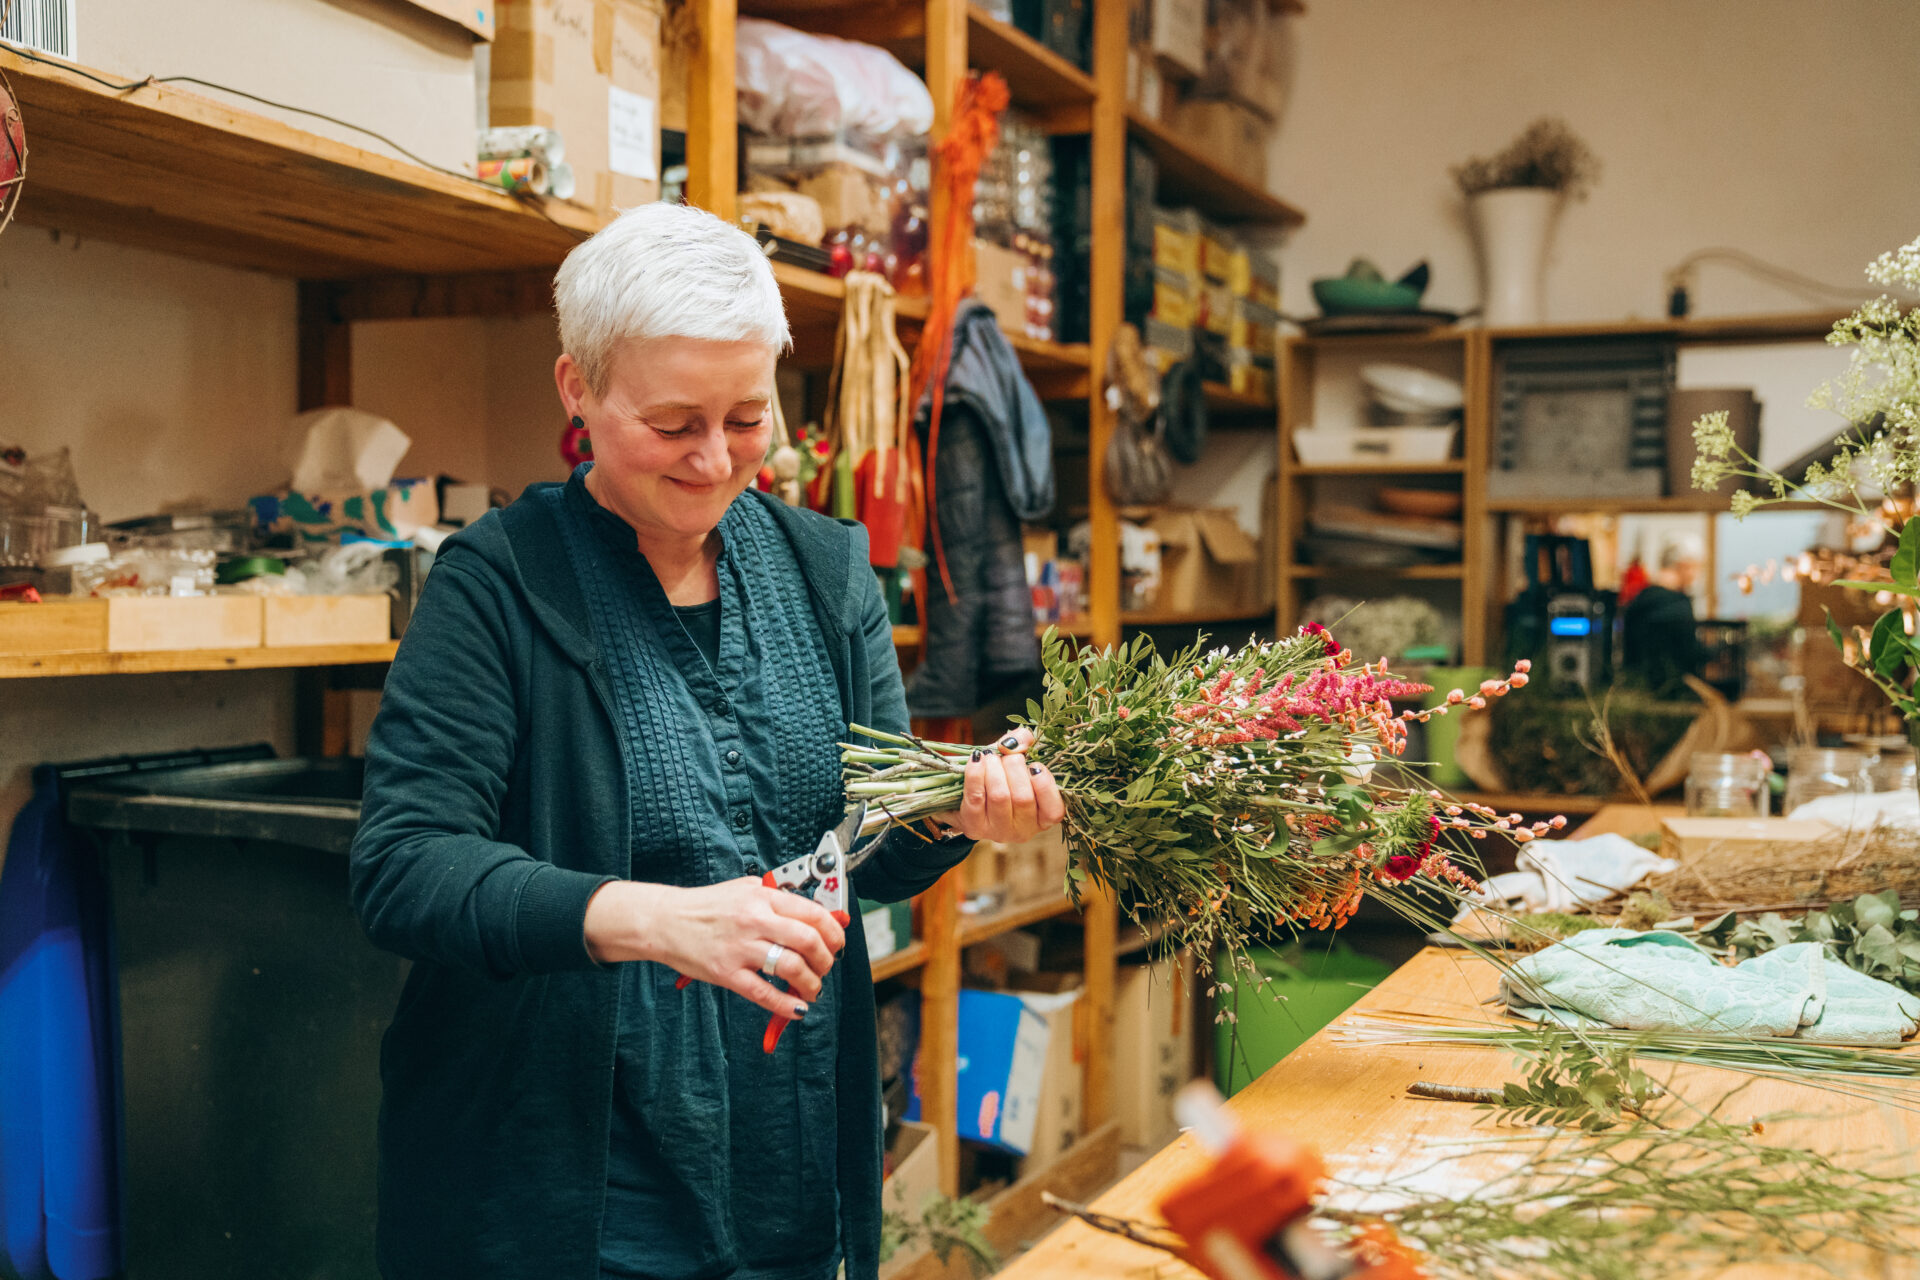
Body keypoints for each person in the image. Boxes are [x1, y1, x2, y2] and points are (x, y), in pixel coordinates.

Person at [349, 202, 1066, 1280]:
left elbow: (863, 845)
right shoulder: (498, 581)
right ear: (577, 389)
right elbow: (403, 865)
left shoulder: (830, 571)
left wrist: (957, 810)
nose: (715, 458)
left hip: (779, 1143)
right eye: (673, 421)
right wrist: (655, 918)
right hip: (563, 1173)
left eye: (746, 415)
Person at [1621, 535, 1708, 696]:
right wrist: (1718, 651)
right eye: (1696, 567)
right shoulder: (1678, 604)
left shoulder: (1641, 599)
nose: (1696, 575)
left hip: (1637, 692)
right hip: (1669, 695)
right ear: (1684, 565)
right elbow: (1689, 653)